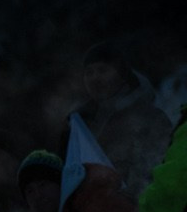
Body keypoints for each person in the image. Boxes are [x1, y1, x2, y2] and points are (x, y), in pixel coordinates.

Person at [74, 42, 175, 193]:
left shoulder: (150, 118)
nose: (95, 78)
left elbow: (160, 172)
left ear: (122, 75)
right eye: (89, 72)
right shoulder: (82, 124)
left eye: (103, 70)